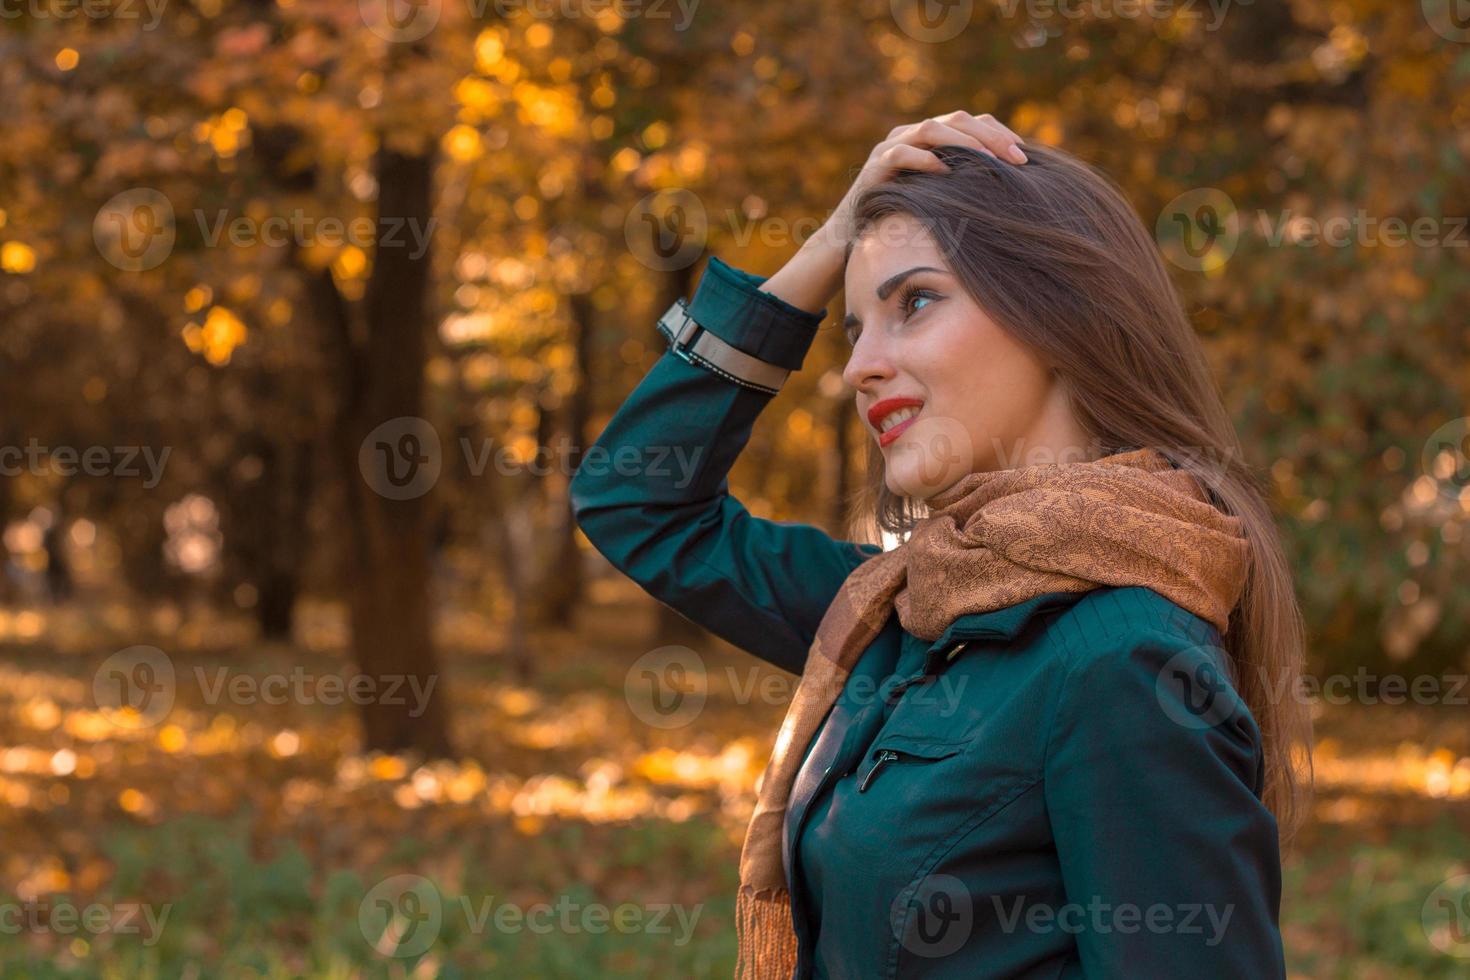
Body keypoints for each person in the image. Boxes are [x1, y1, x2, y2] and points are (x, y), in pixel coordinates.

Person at [570, 111, 1312, 979]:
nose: (858, 368)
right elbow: (637, 499)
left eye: (913, 303)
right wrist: (831, 236)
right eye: (853, 330)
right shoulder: (902, 605)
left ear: (1059, 313)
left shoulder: (1125, 664)